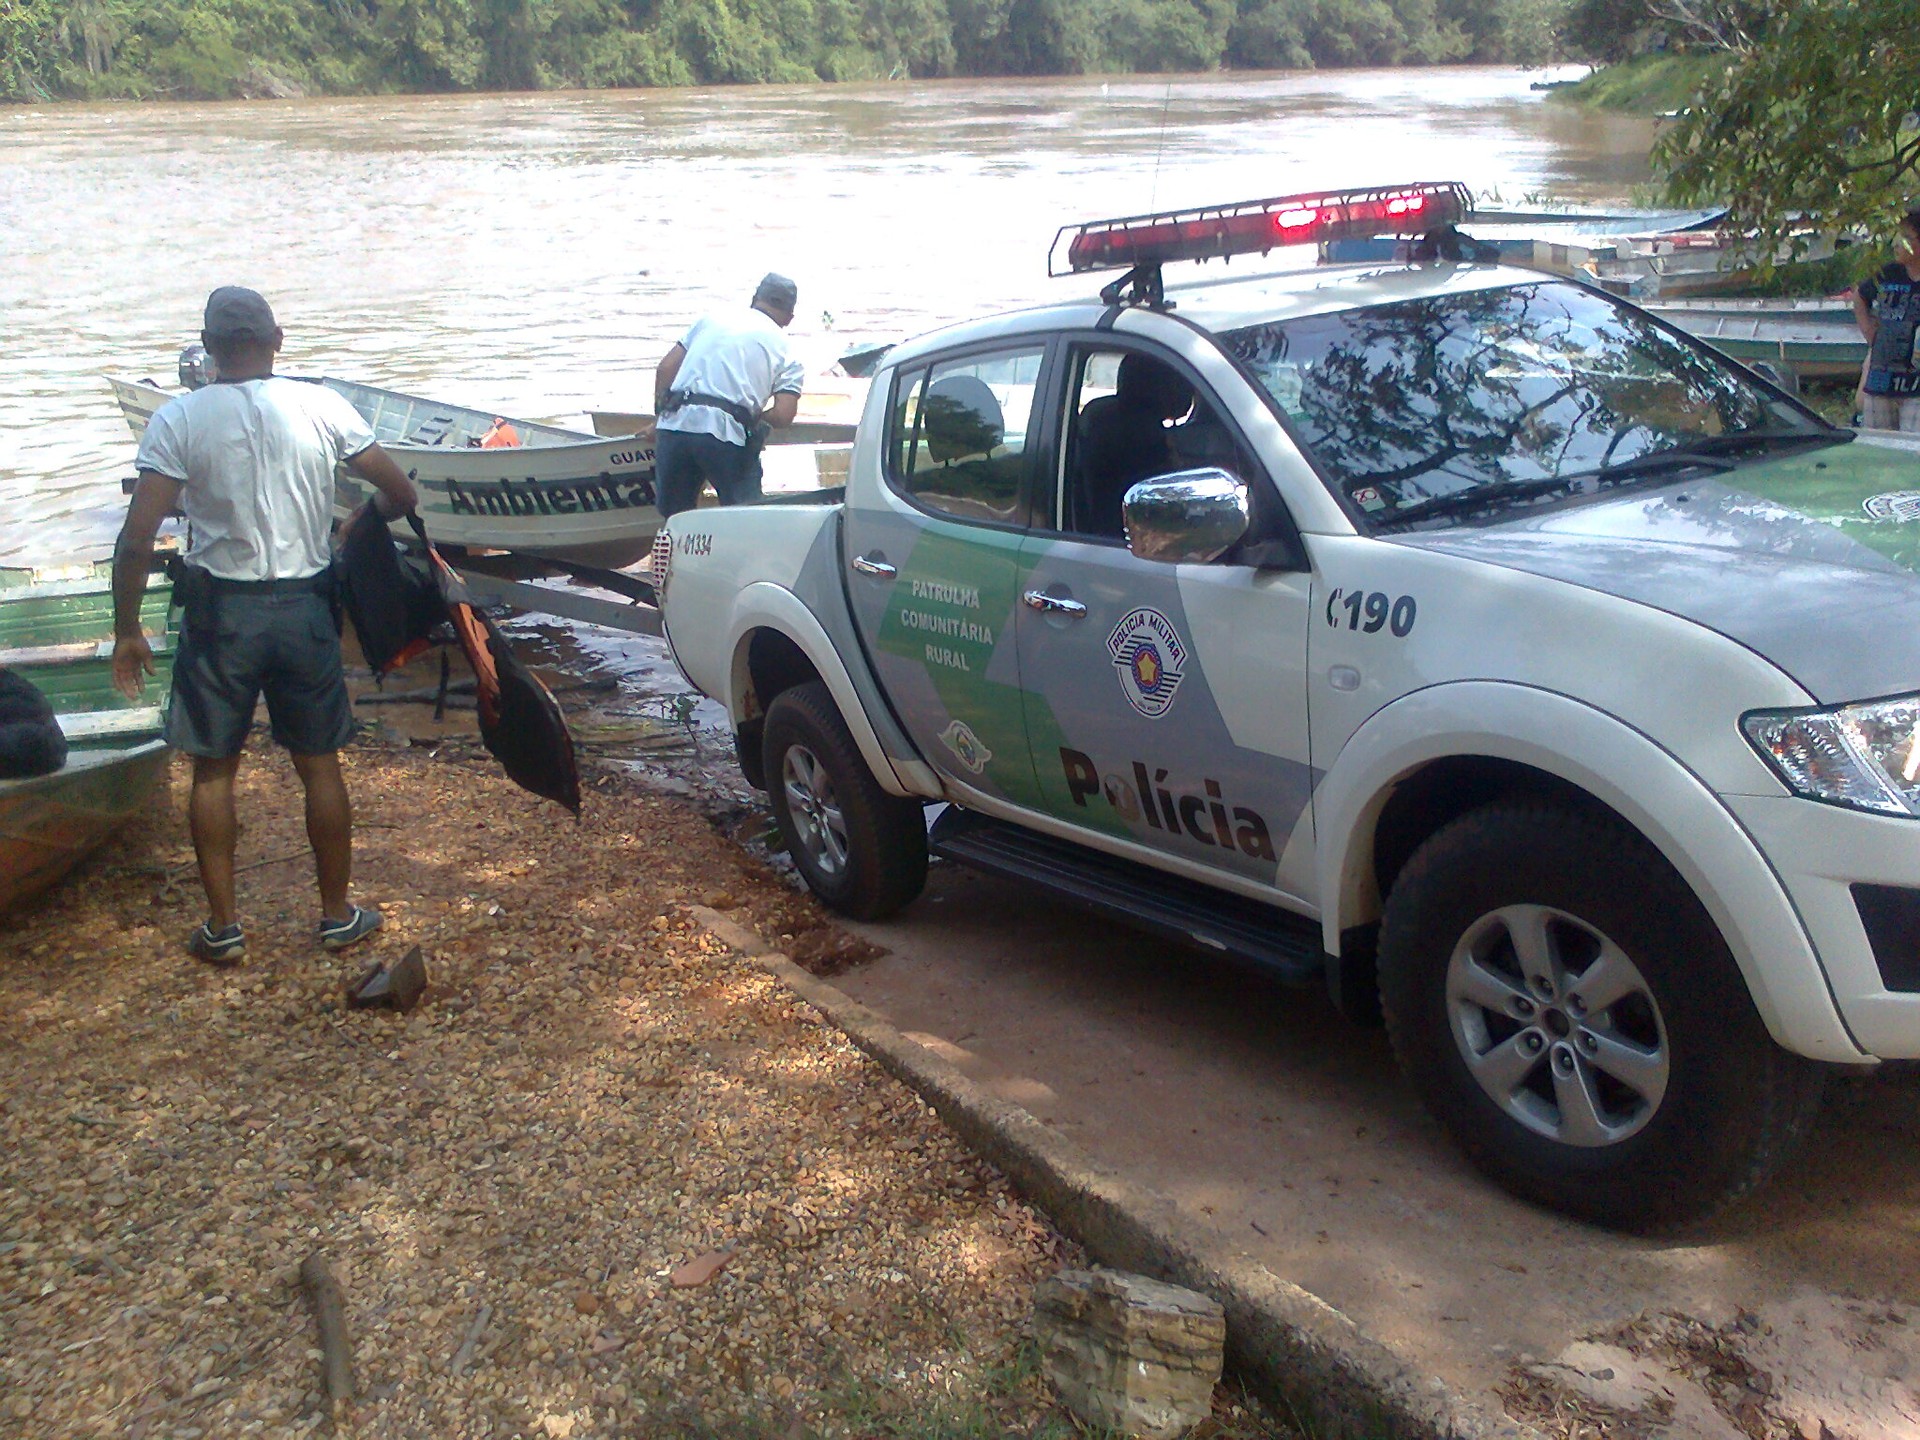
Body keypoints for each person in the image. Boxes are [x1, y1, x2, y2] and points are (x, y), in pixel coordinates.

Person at [111, 287, 420, 966]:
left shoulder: (177, 420)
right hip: (305, 609)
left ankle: (224, 929)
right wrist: (354, 522)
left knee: (214, 772)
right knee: (319, 765)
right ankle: (337, 915)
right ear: (277, 339)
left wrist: (127, 628)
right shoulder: (322, 407)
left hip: (222, 615)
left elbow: (137, 540)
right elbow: (400, 494)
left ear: (210, 347)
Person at [652, 273, 806, 518]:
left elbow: (666, 369)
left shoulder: (710, 320)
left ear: (755, 299)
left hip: (674, 428)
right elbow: (784, 414)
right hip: (724, 436)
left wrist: (658, 420)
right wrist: (756, 421)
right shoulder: (787, 351)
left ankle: (680, 553)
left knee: (675, 519)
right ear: (789, 317)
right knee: (744, 517)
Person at [1853, 209, 1920, 432]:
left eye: (1906, 238)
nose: (1897, 244)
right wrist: (1869, 332)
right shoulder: (1889, 273)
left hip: (1916, 384)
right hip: (1882, 379)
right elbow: (1861, 297)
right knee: (1879, 448)